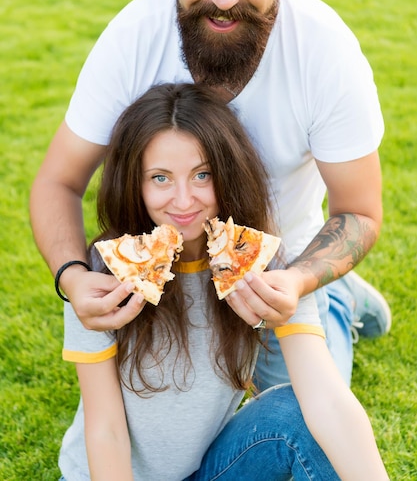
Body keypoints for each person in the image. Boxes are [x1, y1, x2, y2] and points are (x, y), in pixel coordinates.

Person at [30, 0, 391, 392]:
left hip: (275, 270)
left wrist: (297, 278)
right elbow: (58, 181)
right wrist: (72, 276)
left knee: (300, 412)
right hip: (160, 278)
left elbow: (358, 211)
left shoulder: (325, 50)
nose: (224, 0)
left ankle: (336, 294)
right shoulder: (133, 35)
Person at [58, 82, 388, 480]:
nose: (183, 201)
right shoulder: (100, 277)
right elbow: (105, 430)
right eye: (160, 178)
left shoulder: (263, 263)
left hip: (209, 471)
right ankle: (343, 296)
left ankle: (338, 298)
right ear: (135, 183)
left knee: (296, 411)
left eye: (202, 175)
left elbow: (329, 402)